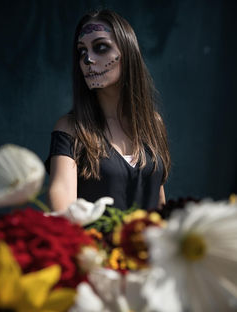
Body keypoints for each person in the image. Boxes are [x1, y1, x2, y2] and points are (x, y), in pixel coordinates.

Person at [45, 9, 171, 213]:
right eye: (82, 52)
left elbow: (159, 204)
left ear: (127, 53)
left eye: (101, 47)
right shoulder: (71, 128)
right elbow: (62, 208)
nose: (87, 60)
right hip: (93, 245)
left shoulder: (153, 124)